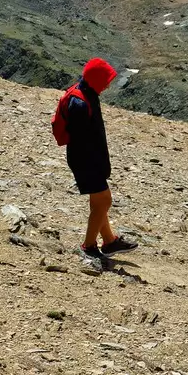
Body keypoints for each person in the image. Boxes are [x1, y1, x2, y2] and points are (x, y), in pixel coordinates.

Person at [61, 57, 136, 262]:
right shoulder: (80, 103)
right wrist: (97, 165)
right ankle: (89, 246)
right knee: (104, 200)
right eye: (105, 80)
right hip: (86, 161)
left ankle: (110, 241)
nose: (108, 85)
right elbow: (82, 140)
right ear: (95, 79)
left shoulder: (87, 93)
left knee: (99, 202)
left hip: (87, 160)